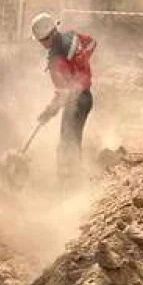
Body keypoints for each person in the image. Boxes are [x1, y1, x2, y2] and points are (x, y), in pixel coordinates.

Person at [30, 13, 97, 175]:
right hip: (86, 98)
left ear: (48, 37)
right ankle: (74, 174)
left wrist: (48, 112)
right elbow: (92, 43)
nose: (41, 44)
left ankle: (69, 182)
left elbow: (64, 93)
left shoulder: (56, 59)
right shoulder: (72, 36)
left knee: (67, 145)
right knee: (73, 141)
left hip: (76, 101)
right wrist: (82, 62)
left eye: (41, 41)